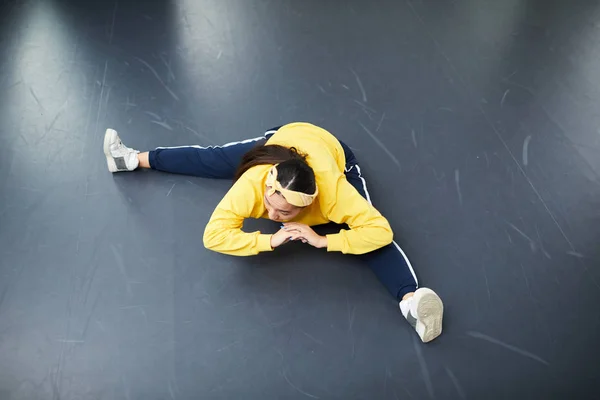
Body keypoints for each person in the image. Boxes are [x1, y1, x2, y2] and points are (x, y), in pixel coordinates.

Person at [103, 122, 444, 342]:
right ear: (268, 184)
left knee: (370, 242)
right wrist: (269, 238)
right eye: (269, 205)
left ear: (306, 207)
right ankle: (129, 158)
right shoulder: (256, 180)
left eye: (284, 214)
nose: (271, 215)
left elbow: (379, 232)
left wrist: (326, 239)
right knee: (213, 160)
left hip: (334, 153)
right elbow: (214, 235)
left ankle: (411, 302)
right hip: (284, 140)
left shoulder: (335, 194)